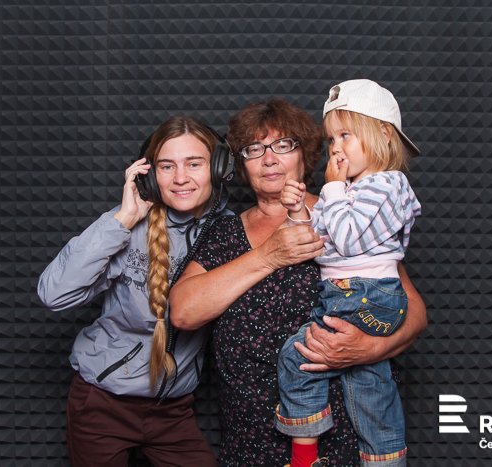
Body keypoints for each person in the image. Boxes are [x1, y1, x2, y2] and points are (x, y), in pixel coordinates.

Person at [169, 99, 427, 466]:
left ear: (306, 155)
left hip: (340, 441)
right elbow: (183, 312)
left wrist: (369, 349)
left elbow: (413, 314)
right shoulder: (225, 233)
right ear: (242, 165)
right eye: (254, 149)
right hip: (251, 440)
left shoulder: (346, 215)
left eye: (283, 145)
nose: (269, 159)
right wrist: (268, 255)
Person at [37, 116, 232, 467]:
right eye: (167, 166)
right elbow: (54, 294)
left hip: (173, 408)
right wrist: (123, 220)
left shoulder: (231, 232)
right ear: (148, 175)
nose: (180, 178)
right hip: (103, 404)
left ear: (218, 168)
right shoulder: (126, 225)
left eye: (194, 164)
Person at [276, 79, 422, 467]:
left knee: (297, 356)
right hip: (343, 293)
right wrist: (298, 210)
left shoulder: (387, 184)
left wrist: (332, 189)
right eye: (331, 139)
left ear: (384, 135)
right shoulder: (348, 189)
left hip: (366, 294)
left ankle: (303, 458)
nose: (336, 148)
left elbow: (347, 237)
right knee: (367, 386)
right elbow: (318, 244)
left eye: (346, 135)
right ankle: (384, 459)